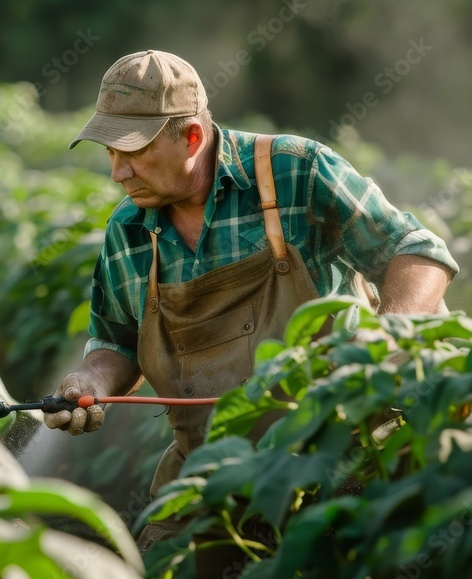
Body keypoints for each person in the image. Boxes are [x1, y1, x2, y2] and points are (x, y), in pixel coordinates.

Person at [43, 50, 458, 566]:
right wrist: (92, 382)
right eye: (110, 152)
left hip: (338, 460)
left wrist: (389, 336)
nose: (118, 173)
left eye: (134, 152)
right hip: (212, 476)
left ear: (191, 136)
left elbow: (417, 250)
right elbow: (117, 343)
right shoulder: (128, 231)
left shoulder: (294, 172)